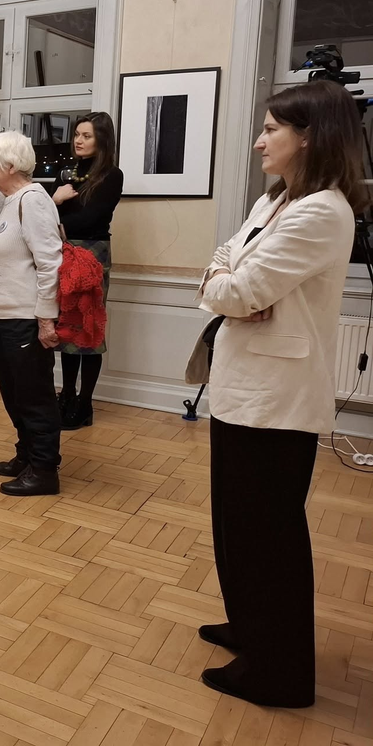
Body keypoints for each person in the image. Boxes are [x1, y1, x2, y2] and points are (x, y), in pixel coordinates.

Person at [196, 80, 365, 708]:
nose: (259, 141)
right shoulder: (275, 200)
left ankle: (279, 673)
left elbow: (240, 291)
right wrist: (227, 279)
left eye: (271, 130)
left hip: (276, 399)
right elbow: (226, 265)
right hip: (243, 389)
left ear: (310, 137)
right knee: (237, 526)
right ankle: (251, 628)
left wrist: (229, 285)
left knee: (269, 536)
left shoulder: (322, 211)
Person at [0, 131, 64, 497]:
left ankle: (44, 470)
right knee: (14, 393)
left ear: (11, 165)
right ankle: (27, 454)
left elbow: (50, 263)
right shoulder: (11, 201)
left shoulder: (34, 200)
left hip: (25, 318)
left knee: (34, 395)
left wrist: (46, 318)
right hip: (3, 317)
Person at [51, 112, 124, 429]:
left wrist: (58, 218)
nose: (78, 141)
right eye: (77, 134)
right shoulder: (66, 172)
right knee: (68, 328)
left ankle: (85, 403)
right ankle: (67, 395)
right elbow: (45, 214)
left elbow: (91, 219)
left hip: (92, 255)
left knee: (89, 330)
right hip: (64, 253)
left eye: (86, 135)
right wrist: (55, 203)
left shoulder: (111, 175)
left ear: (102, 140)